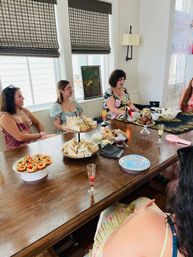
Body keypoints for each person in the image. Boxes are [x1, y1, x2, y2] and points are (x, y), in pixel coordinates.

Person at [90, 146, 193, 257]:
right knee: (144, 201)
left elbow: (105, 253)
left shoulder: (148, 223)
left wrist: (134, 216)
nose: (176, 184)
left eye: (179, 181)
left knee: (110, 209)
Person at [0, 85, 46, 149]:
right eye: (19, 96)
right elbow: (20, 137)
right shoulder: (5, 117)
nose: (23, 98)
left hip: (30, 146)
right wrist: (40, 135)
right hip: (16, 151)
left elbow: (38, 123)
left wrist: (43, 138)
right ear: (11, 100)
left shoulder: (24, 111)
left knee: (55, 137)